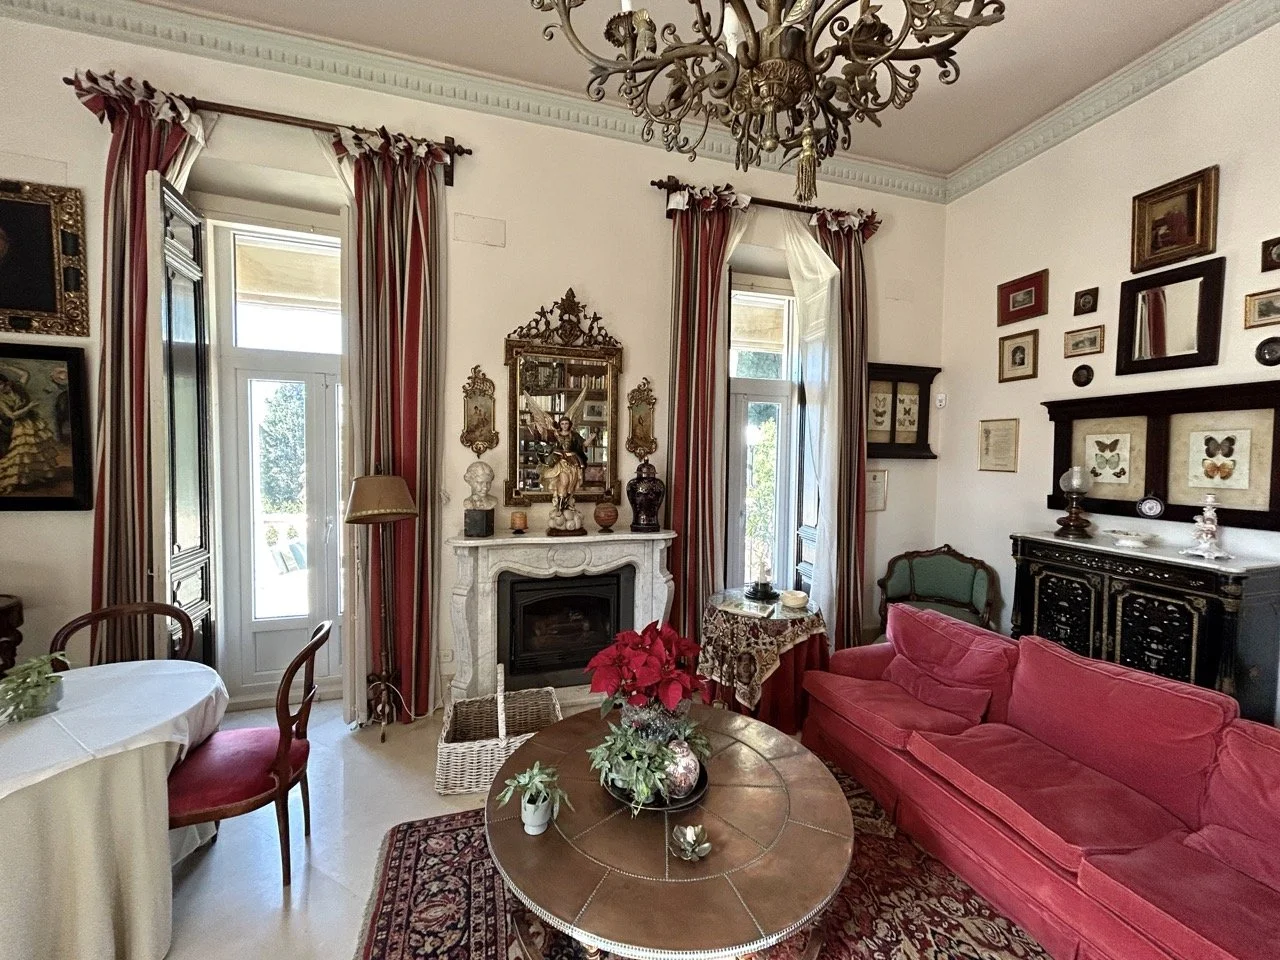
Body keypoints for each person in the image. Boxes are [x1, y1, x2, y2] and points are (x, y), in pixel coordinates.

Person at [0, 371, 60, 495]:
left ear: (6, 383)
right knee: (22, 452)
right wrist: (29, 407)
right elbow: (12, 416)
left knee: (37, 449)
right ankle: (12, 481)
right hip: (21, 425)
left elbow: (26, 374)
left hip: (33, 421)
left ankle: (34, 475)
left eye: (0, 384)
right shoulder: (0, 399)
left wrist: (8, 367)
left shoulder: (18, 388)